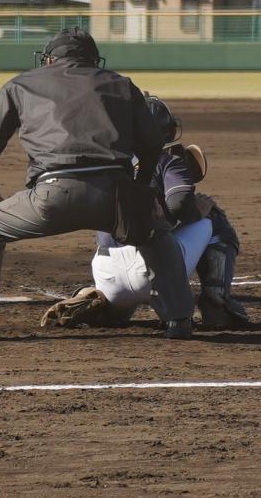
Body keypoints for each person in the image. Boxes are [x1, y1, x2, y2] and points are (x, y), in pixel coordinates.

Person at [0, 27, 196, 342]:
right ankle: (179, 319)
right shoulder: (121, 84)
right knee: (156, 232)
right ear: (94, 59)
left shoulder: (21, 84)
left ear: (49, 59)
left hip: (52, 195)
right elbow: (151, 146)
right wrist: (142, 193)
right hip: (115, 195)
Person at [42, 96, 249, 329]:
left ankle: (101, 300)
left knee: (117, 290)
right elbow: (179, 203)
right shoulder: (167, 160)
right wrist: (195, 212)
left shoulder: (104, 164)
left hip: (106, 268)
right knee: (212, 215)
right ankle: (217, 303)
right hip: (153, 270)